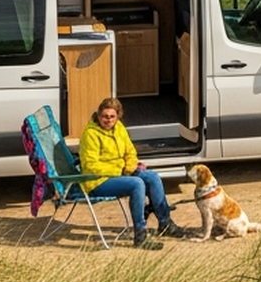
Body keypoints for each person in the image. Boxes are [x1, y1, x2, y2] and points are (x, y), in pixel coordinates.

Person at [79, 97, 186, 249]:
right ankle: (140, 235)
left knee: (152, 177)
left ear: (118, 116)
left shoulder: (119, 128)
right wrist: (120, 170)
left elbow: (130, 151)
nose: (108, 120)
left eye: (112, 117)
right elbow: (90, 166)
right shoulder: (90, 134)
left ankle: (165, 223)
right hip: (98, 180)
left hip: (120, 173)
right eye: (104, 116)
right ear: (98, 115)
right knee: (137, 184)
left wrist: (130, 166)